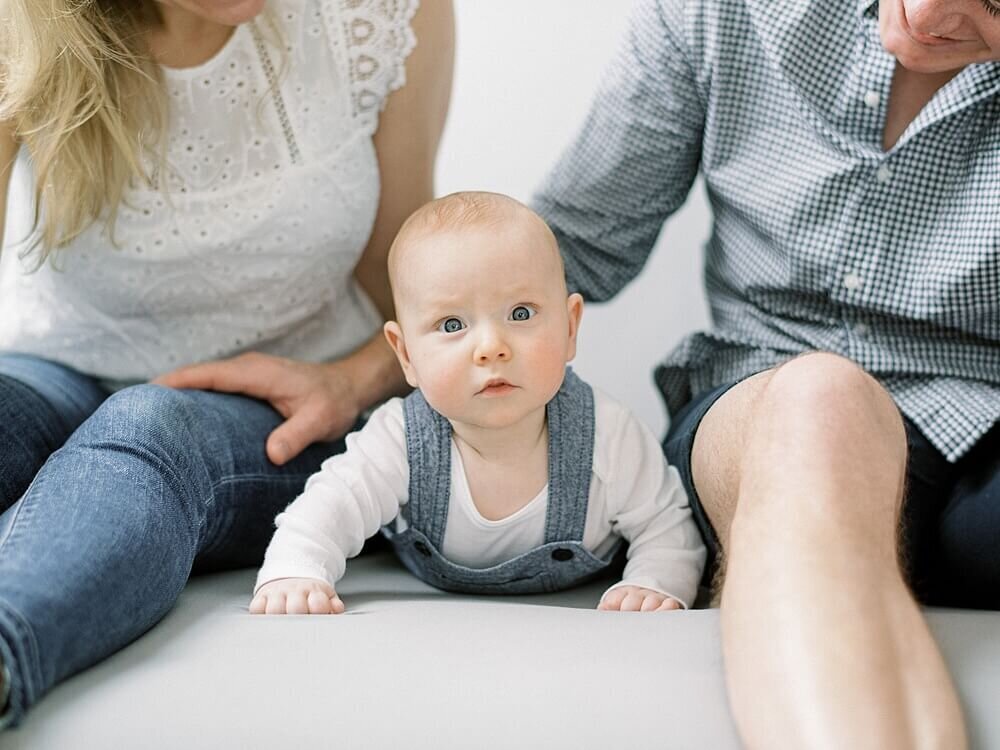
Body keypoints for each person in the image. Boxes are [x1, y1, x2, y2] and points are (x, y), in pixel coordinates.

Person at [532, 0, 1000, 748]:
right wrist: (371, 371)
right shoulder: (723, 11)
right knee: (823, 397)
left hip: (983, 435)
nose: (933, 13)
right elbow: (566, 254)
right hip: (767, 406)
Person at [0, 0, 453, 728]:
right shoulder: (22, 23)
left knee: (150, 427)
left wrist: (355, 380)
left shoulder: (387, 14)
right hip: (58, 364)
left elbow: (406, 280)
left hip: (287, 405)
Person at [249, 192, 706, 615]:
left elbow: (665, 522)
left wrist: (655, 582)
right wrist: (297, 570)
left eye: (520, 314)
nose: (491, 347)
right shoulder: (402, 438)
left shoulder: (607, 433)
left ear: (570, 328)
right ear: (406, 354)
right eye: (451, 325)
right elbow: (332, 505)